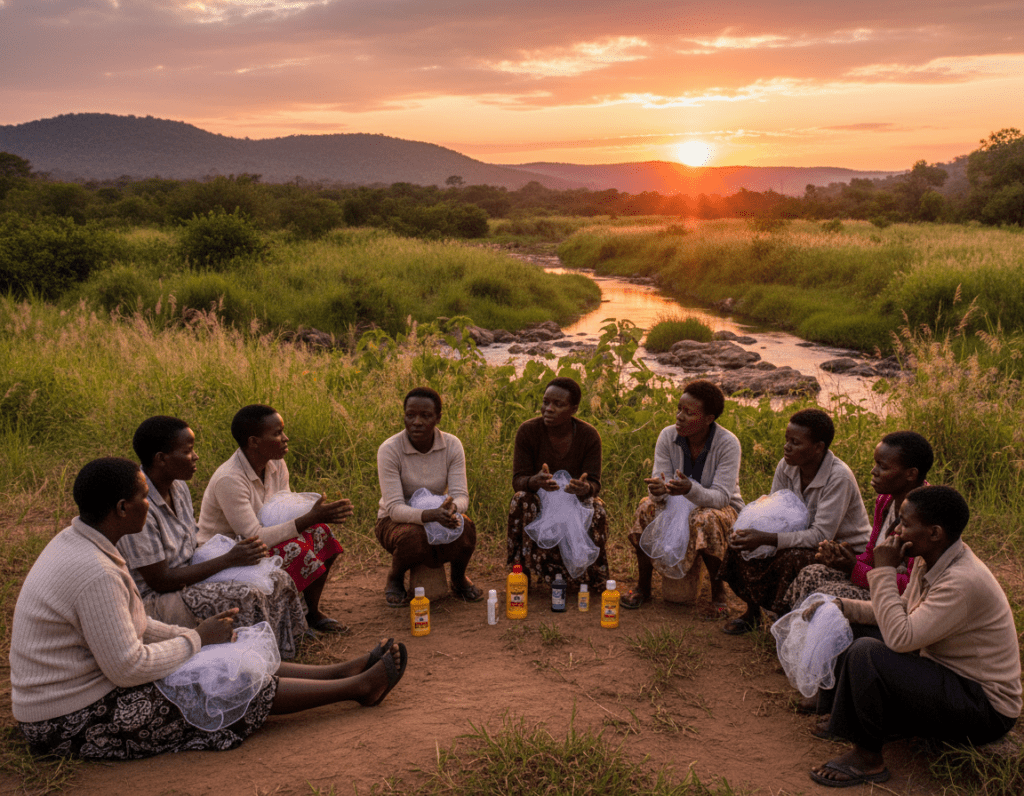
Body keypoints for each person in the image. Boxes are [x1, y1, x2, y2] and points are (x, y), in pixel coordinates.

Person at [11, 458, 407, 760]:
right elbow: (127, 668)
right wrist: (197, 639)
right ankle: (356, 688)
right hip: (69, 720)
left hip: (83, 692)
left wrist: (197, 639)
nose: (149, 504)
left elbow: (136, 625)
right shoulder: (93, 570)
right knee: (221, 685)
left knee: (222, 653)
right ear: (120, 508)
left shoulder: (84, 542)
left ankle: (339, 671)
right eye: (143, 497)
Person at [806, 486, 1020, 787]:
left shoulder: (962, 581)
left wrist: (883, 571)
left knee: (868, 652)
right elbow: (902, 609)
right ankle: (844, 718)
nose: (895, 531)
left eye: (905, 524)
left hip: (984, 707)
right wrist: (842, 607)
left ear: (934, 533)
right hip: (948, 677)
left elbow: (899, 639)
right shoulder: (929, 559)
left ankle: (869, 760)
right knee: (849, 626)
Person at [118, 416, 308, 658]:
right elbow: (160, 581)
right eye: (187, 451)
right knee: (246, 595)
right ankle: (252, 659)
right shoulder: (139, 507)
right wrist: (228, 561)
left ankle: (284, 650)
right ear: (161, 459)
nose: (196, 456)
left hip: (187, 576)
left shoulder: (177, 487)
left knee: (274, 577)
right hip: (158, 599)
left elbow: (190, 550)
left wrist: (232, 561)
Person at [197, 404, 353, 634]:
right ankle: (295, 621)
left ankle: (311, 611)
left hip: (257, 539)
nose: (285, 438)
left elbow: (284, 506)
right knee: (296, 548)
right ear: (253, 442)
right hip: (228, 551)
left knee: (321, 533)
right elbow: (254, 537)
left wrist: (315, 516)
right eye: (277, 433)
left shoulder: (276, 463)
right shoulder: (229, 479)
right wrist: (308, 518)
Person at [721, 408, 870, 635]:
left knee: (791, 556)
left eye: (795, 442)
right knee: (740, 545)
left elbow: (821, 536)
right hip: (803, 537)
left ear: (818, 447)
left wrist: (767, 538)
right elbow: (775, 510)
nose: (787, 447)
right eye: (786, 440)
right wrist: (754, 533)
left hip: (842, 552)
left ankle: (786, 621)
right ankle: (752, 613)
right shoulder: (786, 465)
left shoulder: (838, 477)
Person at [622, 380, 743, 610]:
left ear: (709, 418)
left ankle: (718, 595)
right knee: (644, 508)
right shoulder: (668, 436)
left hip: (720, 508)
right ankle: (643, 588)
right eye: (679, 409)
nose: (680, 416)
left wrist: (689, 489)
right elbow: (660, 480)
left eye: (689, 413)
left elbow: (722, 498)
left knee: (705, 518)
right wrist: (657, 490)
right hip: (675, 502)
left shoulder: (728, 444)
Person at [784, 430, 932, 609]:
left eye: (882, 467)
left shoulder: (924, 515)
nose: (873, 471)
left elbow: (911, 585)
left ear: (911, 474)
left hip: (901, 595)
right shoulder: (886, 500)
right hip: (879, 576)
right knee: (811, 573)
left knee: (825, 595)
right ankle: (794, 630)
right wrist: (844, 559)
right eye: (875, 464)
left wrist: (855, 568)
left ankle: (813, 633)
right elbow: (872, 554)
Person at [375, 387, 483, 606]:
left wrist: (452, 510)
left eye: (425, 416)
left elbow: (461, 495)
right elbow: (394, 508)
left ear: (438, 418)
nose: (416, 422)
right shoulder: (390, 449)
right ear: (404, 415)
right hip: (394, 521)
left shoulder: (452, 445)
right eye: (410, 415)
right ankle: (395, 577)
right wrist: (430, 515)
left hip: (439, 514)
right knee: (413, 537)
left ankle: (458, 577)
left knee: (467, 528)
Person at [506, 376, 609, 591]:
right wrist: (535, 481)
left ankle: (593, 574)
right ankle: (520, 571)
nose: (548, 409)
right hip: (539, 496)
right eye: (546, 402)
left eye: (558, 404)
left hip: (574, 500)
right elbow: (518, 480)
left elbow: (594, 483)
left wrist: (584, 488)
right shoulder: (528, 431)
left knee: (597, 508)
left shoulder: (588, 436)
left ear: (573, 408)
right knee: (520, 500)